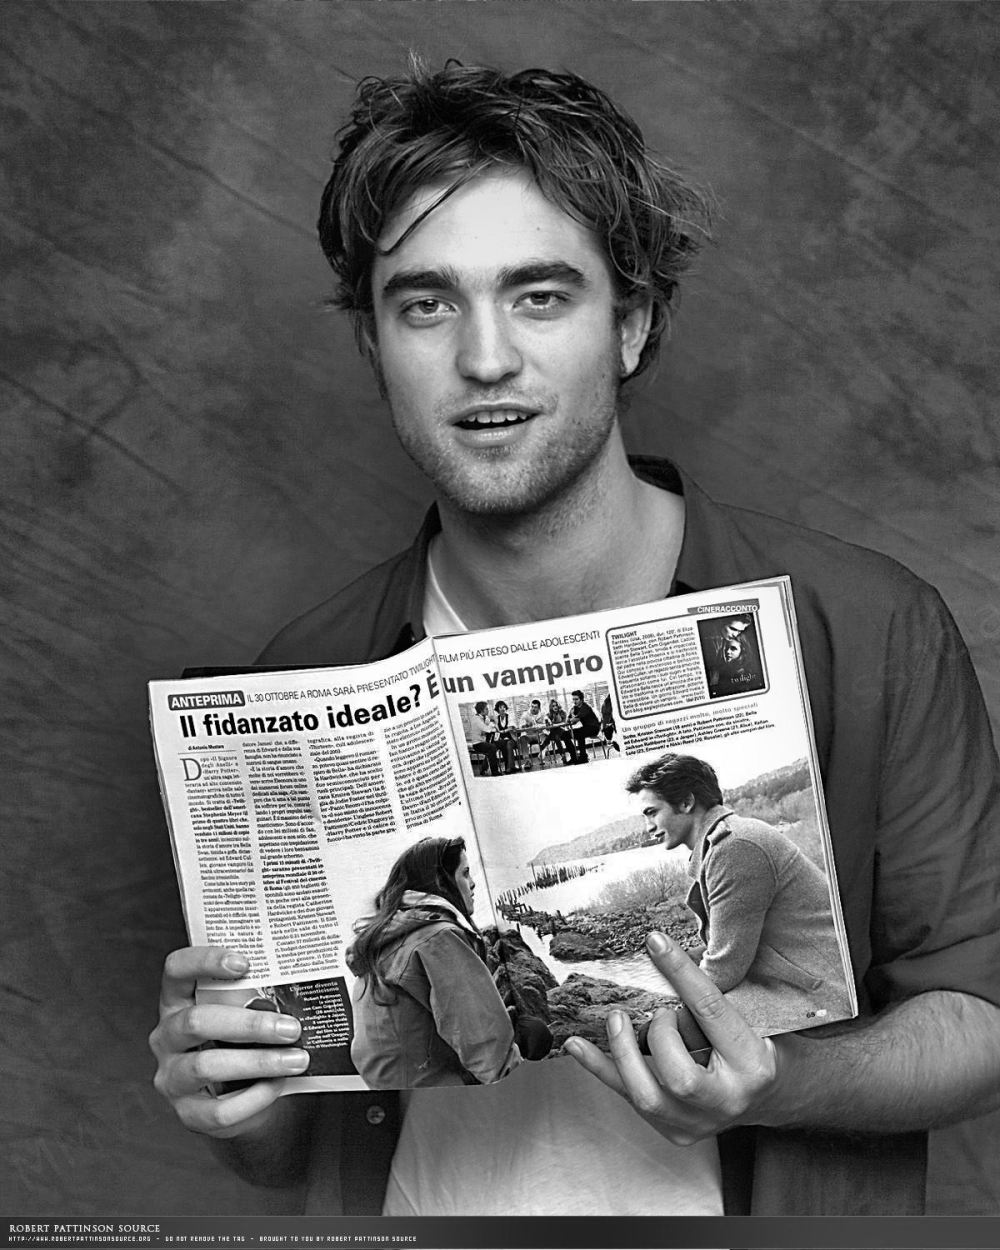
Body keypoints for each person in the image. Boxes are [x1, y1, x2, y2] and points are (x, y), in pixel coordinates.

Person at [150, 61, 1000, 1217]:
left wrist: (783, 1082)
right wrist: (236, 1099)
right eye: (426, 304)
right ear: (374, 343)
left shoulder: (865, 626)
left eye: (540, 296)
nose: (484, 358)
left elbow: (982, 1015)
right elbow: (293, 1140)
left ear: (630, 324)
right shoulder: (301, 678)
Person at [626, 753, 849, 1034]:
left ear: (685, 802)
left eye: (652, 812)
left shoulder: (736, 847)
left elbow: (723, 972)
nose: (648, 827)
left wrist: (682, 1007)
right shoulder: (726, 840)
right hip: (795, 974)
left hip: (823, 995)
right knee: (685, 969)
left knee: (660, 1034)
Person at [346, 836, 534, 1088]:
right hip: (435, 1090)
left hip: (392, 1083)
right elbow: (481, 1038)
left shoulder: (393, 933)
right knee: (537, 1036)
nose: (473, 883)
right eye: (465, 873)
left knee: (526, 1031)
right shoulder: (438, 937)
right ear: (440, 881)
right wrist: (519, 1087)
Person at [467, 699, 501, 775]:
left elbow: (491, 726)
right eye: (486, 709)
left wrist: (493, 723)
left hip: (483, 741)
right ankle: (495, 772)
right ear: (481, 710)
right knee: (492, 747)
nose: (488, 710)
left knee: (494, 746)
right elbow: (486, 729)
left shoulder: (484, 717)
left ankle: (484, 769)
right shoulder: (476, 719)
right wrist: (493, 725)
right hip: (477, 744)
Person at [568, 689, 601, 764]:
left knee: (580, 733)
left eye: (576, 699)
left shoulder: (585, 707)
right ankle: (574, 757)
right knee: (565, 734)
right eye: (573, 699)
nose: (574, 701)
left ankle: (583, 757)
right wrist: (571, 716)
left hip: (594, 728)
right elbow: (570, 720)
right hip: (586, 728)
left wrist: (572, 717)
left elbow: (574, 720)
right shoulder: (575, 708)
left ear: (581, 699)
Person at [517, 697, 548, 769]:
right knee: (522, 738)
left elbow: (547, 724)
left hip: (539, 734)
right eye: (532, 706)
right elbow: (520, 726)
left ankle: (541, 756)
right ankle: (527, 761)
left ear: (539, 708)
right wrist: (526, 725)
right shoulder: (525, 714)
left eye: (535, 707)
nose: (533, 709)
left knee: (545, 737)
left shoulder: (543, 714)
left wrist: (539, 725)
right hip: (529, 735)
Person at [492, 699, 519, 772]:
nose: (503, 709)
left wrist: (503, 731)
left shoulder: (509, 716)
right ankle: (509, 767)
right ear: (497, 709)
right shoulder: (497, 719)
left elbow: (511, 728)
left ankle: (510, 767)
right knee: (493, 746)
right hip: (502, 740)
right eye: (500, 707)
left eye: (504, 707)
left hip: (512, 739)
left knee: (508, 744)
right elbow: (497, 730)